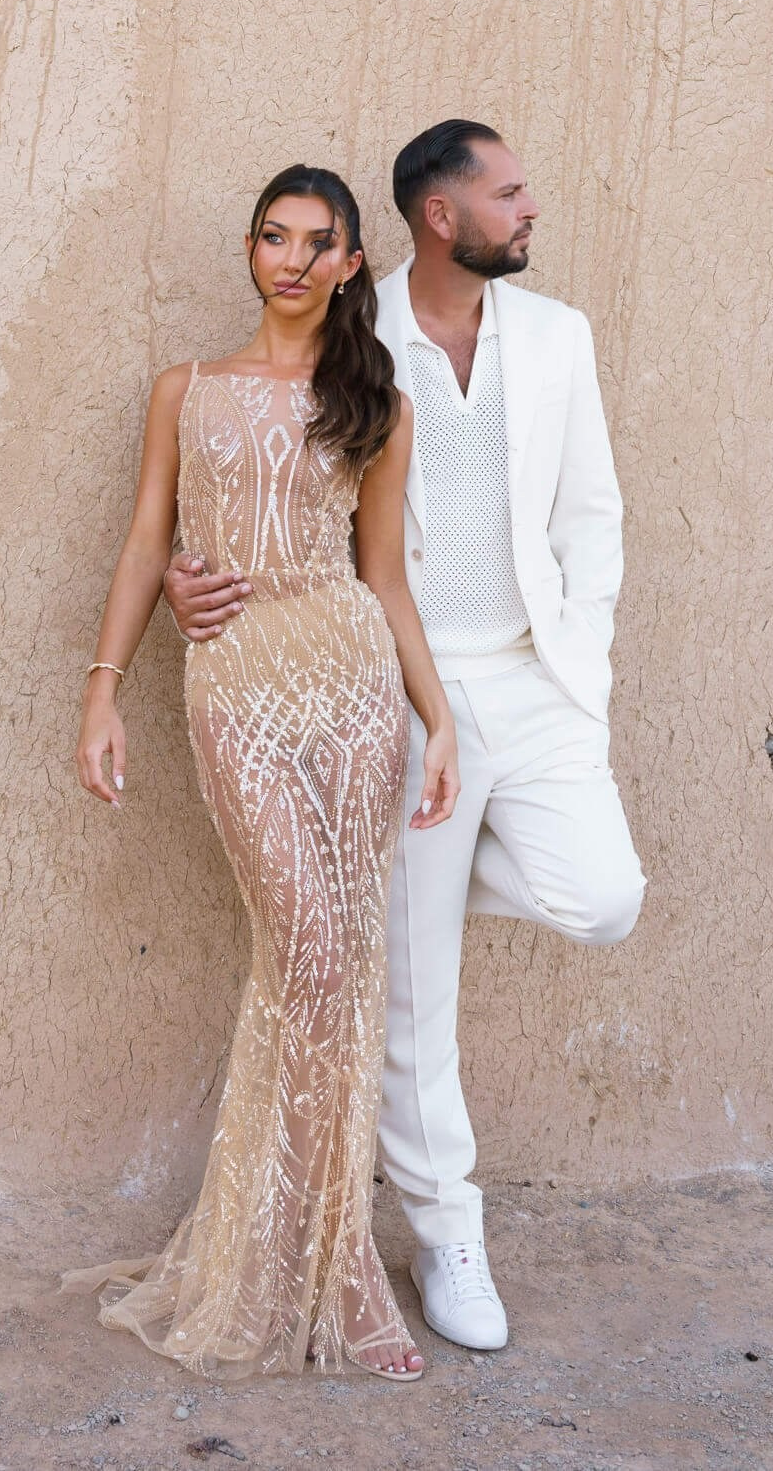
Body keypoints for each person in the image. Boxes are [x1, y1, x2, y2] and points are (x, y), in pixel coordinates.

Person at [164, 121, 646, 1353]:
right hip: (392, 678)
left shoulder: (559, 337)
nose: (530, 206)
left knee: (601, 897)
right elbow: (259, 469)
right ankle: (447, 1234)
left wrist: (580, 664)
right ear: (442, 214)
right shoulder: (348, 323)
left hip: (531, 686)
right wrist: (188, 579)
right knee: (411, 1000)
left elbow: (591, 512)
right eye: (510, 190)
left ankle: (412, 883)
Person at [71, 164, 460, 1381]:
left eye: (317, 242)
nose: (291, 258)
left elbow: (383, 577)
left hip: (347, 681)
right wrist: (103, 685)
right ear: (250, 251)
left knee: (340, 967)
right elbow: (149, 537)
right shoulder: (185, 390)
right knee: (300, 946)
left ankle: (337, 1270)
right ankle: (272, 1254)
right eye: (271, 237)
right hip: (235, 682)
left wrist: (437, 721)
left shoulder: (375, 400)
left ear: (352, 262)